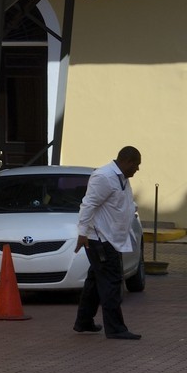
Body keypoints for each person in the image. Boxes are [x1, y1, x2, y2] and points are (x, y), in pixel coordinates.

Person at [74, 146, 143, 340]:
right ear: (127, 161)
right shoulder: (104, 177)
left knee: (95, 282)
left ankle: (83, 322)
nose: (137, 170)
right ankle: (116, 328)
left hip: (112, 239)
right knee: (111, 283)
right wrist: (82, 233)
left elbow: (122, 203)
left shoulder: (122, 179)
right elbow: (88, 204)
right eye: (136, 165)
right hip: (101, 240)